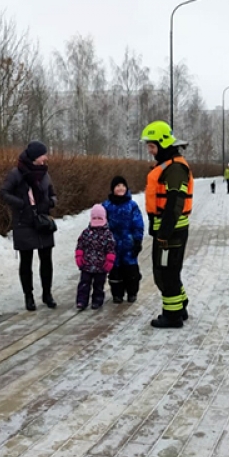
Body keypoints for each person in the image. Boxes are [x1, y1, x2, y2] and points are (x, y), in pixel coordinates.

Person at [140, 120, 193, 329]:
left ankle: (172, 316)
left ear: (163, 144)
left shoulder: (176, 168)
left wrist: (165, 230)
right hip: (168, 228)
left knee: (165, 273)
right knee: (169, 270)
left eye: (152, 146)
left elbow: (175, 202)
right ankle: (180, 306)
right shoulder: (169, 165)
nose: (150, 151)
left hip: (172, 230)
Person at [0, 141, 58, 311]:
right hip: (24, 223)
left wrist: (52, 202)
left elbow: (52, 193)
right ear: (35, 157)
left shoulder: (45, 174)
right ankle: (29, 296)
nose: (46, 158)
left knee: (46, 260)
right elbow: (3, 193)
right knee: (26, 262)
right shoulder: (16, 174)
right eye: (43, 155)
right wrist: (21, 204)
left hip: (43, 221)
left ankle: (47, 294)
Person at [102, 176, 144, 304]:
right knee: (115, 272)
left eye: (123, 186)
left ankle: (132, 293)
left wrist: (137, 241)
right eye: (117, 186)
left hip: (128, 243)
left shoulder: (132, 205)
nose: (120, 188)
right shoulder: (106, 205)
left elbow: (138, 224)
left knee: (131, 270)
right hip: (112, 244)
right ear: (113, 189)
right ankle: (117, 294)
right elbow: (100, 224)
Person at [75, 204, 116, 310]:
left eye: (99, 218)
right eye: (94, 218)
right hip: (87, 264)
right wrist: (79, 256)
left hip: (101, 265)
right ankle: (81, 301)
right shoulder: (86, 232)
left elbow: (111, 248)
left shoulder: (107, 234)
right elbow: (80, 245)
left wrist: (110, 260)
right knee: (84, 284)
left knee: (99, 285)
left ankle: (97, 300)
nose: (97, 220)